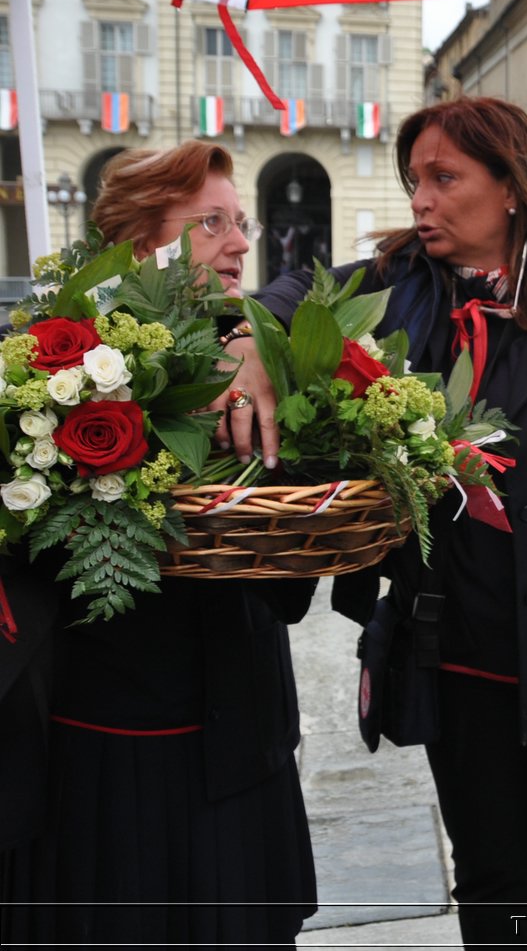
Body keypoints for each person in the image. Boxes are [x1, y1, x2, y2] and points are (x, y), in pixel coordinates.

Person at [244, 97, 527, 946]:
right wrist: (248, 339)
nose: (422, 200)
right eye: (415, 179)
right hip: (459, 658)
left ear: (512, 185)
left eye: (445, 178)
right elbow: (291, 292)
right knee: (493, 888)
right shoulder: (389, 294)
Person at [0, 141, 318, 945]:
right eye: (211, 223)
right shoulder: (51, 366)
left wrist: (251, 350)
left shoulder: (259, 366)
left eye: (239, 222)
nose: (241, 242)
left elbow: (288, 587)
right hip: (101, 760)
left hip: (238, 752)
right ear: (139, 246)